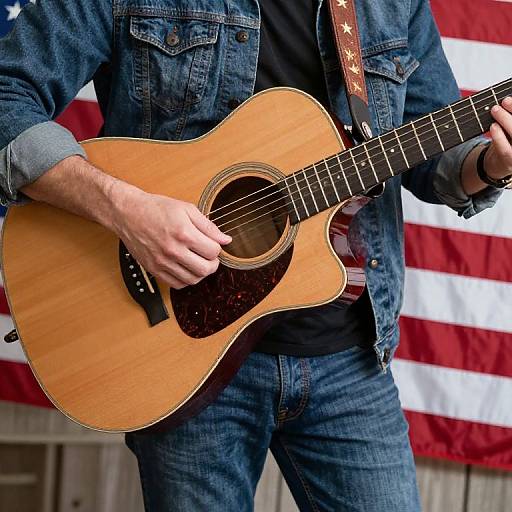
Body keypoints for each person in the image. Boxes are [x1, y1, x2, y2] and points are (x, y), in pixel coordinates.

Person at [1, 1, 511, 510]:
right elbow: (8, 96)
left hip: (346, 355)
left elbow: (435, 160)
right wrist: (128, 213)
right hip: (180, 354)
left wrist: (491, 162)